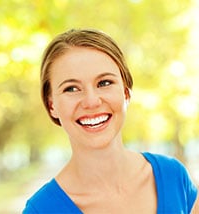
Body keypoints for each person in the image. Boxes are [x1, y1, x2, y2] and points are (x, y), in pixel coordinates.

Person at [22, 29, 199, 213]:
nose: (91, 102)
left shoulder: (173, 176)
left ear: (126, 92)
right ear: (52, 106)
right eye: (72, 89)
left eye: (104, 83)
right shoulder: (41, 209)